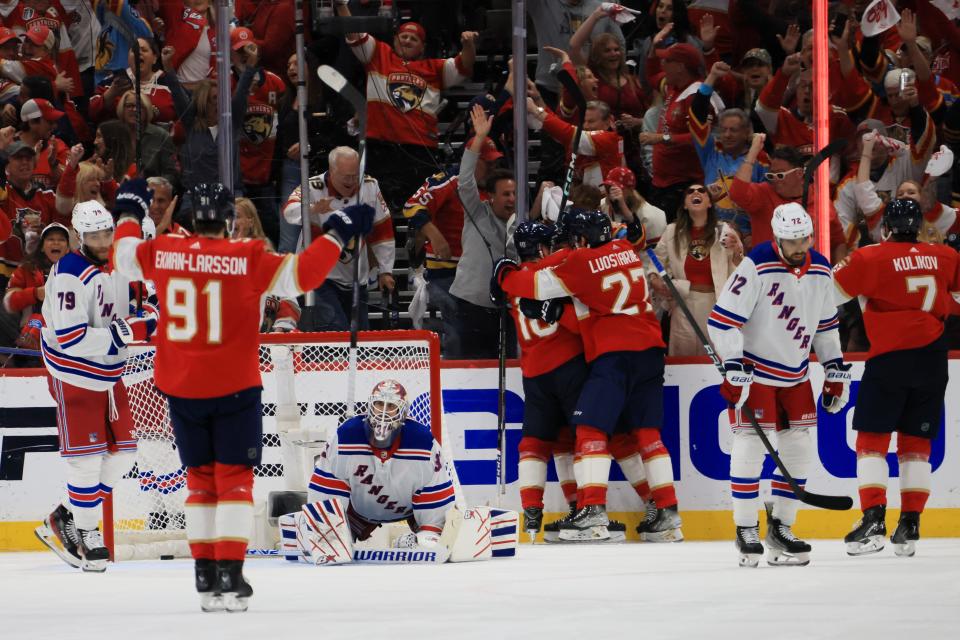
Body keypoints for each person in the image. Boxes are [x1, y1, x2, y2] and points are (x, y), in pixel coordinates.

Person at [111, 183, 374, 611]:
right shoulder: (246, 256)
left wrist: (126, 213)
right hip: (234, 385)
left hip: (180, 387)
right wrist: (337, 232)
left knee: (198, 481)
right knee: (233, 481)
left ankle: (203, 572)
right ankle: (230, 572)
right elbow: (305, 275)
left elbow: (122, 259)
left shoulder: (163, 250)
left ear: (192, 216)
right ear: (229, 221)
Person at [495, 209, 681, 542]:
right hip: (651, 349)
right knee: (645, 433)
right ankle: (667, 511)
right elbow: (597, 296)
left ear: (580, 240)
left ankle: (590, 509)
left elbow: (536, 284)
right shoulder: (625, 250)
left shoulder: (579, 263)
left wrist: (504, 278)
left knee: (589, 429)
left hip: (611, 355)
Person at [706, 203, 850, 568]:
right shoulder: (756, 264)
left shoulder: (820, 269)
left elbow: (826, 325)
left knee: (800, 448)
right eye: (791, 240)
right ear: (777, 238)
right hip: (757, 373)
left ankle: (782, 526)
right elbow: (721, 321)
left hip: (796, 374)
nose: (799, 246)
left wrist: (833, 368)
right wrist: (734, 363)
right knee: (751, 445)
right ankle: (745, 528)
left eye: (804, 238)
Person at [33, 201, 156, 572]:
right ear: (79, 236)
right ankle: (87, 535)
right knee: (85, 461)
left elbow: (152, 304)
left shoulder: (122, 259)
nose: (102, 241)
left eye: (107, 233)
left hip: (108, 372)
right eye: (94, 235)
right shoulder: (70, 271)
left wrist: (142, 319)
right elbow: (70, 338)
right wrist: (124, 333)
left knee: (125, 454)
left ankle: (65, 516)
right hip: (73, 373)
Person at [834, 199, 960, 558]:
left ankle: (873, 518)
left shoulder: (870, 256)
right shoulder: (946, 256)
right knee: (915, 443)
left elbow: (829, 294)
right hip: (934, 358)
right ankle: (911, 524)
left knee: (872, 440)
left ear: (886, 227)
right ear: (919, 226)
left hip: (890, 358)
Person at [283, 379, 456, 561]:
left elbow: (435, 497)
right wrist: (323, 528)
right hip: (358, 513)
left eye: (391, 406)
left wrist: (432, 531)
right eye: (379, 403)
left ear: (403, 411)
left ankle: (409, 540)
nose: (383, 412)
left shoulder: (423, 443)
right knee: (328, 544)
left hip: (410, 511)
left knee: (432, 547)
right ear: (369, 405)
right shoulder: (345, 438)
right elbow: (325, 492)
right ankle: (307, 528)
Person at [334, 2, 477, 213]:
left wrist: (469, 45)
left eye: (414, 38)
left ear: (423, 47)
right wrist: (340, 5)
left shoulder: (434, 68)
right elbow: (354, 33)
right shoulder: (378, 54)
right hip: (381, 149)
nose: (408, 40)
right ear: (394, 40)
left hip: (419, 151)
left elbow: (465, 65)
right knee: (374, 212)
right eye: (404, 36)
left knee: (423, 213)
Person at [401, 135, 501, 353]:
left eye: (495, 162)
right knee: (460, 329)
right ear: (472, 160)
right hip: (447, 272)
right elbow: (412, 205)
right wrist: (435, 235)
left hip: (482, 273)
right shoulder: (448, 180)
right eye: (488, 162)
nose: (493, 168)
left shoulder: (497, 186)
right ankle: (455, 370)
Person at [282, 146, 395, 332]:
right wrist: (312, 209)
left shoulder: (370, 186)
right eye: (346, 176)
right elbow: (288, 212)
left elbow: (383, 230)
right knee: (336, 332)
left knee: (360, 339)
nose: (351, 181)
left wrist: (386, 271)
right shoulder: (312, 186)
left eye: (354, 175)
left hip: (357, 279)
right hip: (318, 277)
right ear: (331, 170)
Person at [449, 105, 517, 359]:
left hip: (506, 310)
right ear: (490, 196)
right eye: (506, 194)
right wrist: (478, 139)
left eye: (514, 194)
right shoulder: (477, 211)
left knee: (507, 367)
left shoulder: (520, 224)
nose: (511, 199)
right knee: (468, 369)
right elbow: (464, 181)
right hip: (469, 307)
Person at [652, 184, 742, 356]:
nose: (696, 192)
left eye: (702, 191)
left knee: (716, 362)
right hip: (684, 305)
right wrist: (654, 278)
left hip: (716, 306)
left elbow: (740, 274)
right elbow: (654, 261)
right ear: (685, 205)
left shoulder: (724, 231)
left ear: (709, 203)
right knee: (684, 362)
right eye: (690, 191)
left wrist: (737, 253)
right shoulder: (672, 231)